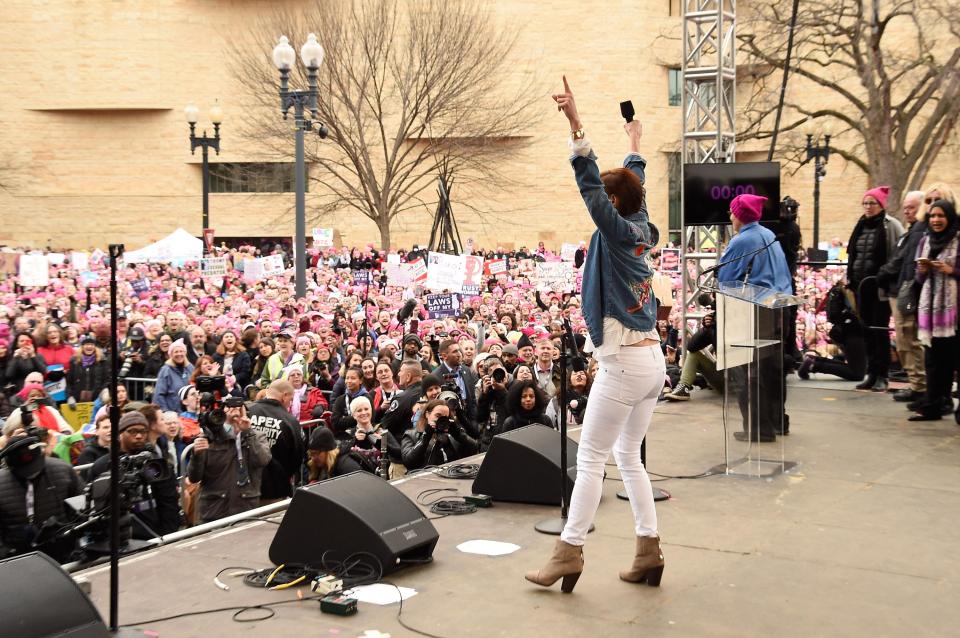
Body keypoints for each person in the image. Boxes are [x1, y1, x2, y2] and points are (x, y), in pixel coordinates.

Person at [527, 79, 666, 593]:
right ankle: (648, 550)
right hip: (652, 362)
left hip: (626, 363)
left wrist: (575, 123)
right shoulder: (640, 222)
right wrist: (635, 143)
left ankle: (568, 553)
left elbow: (590, 185)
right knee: (628, 457)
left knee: (590, 459)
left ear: (612, 202)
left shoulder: (613, 227)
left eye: (607, 197)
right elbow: (634, 183)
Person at [717, 192, 794, 441]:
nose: (730, 216)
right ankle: (777, 422)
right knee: (773, 369)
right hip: (781, 307)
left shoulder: (743, 240)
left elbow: (725, 279)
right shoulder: (768, 235)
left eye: (732, 211)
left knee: (751, 371)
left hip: (757, 311)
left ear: (739, 215)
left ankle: (759, 429)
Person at [846, 186, 905, 392]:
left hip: (880, 288)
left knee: (880, 331)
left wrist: (886, 277)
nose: (868, 207)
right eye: (866, 203)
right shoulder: (860, 225)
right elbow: (854, 255)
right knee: (867, 331)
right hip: (860, 288)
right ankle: (871, 373)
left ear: (881, 205)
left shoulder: (892, 226)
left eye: (873, 203)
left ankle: (882, 375)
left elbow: (900, 255)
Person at [89, 411, 181, 538]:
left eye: (143, 431)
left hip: (154, 534)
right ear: (120, 433)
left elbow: (168, 501)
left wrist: (167, 535)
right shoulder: (102, 465)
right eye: (132, 431)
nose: (139, 436)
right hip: (116, 537)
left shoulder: (156, 463)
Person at [909, 200, 959, 421]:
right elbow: (919, 279)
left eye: (941, 216)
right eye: (932, 216)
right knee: (934, 360)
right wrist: (922, 269)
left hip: (955, 311)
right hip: (931, 310)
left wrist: (952, 270)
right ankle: (932, 406)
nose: (936, 220)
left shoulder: (958, 239)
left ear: (949, 218)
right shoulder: (925, 241)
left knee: (955, 358)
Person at [876, 191, 928, 402]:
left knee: (909, 338)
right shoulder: (912, 232)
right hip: (900, 290)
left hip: (906, 292)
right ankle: (917, 384)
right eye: (905, 207)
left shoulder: (918, 232)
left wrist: (883, 273)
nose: (907, 211)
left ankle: (919, 386)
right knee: (905, 338)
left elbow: (902, 262)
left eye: (912, 207)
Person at [187, 399, 272, 522]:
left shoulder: (255, 436)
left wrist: (247, 432)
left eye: (238, 406)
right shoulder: (210, 438)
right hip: (214, 510)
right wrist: (197, 455)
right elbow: (194, 477)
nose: (234, 409)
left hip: (246, 507)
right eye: (228, 407)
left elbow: (262, 460)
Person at [0, 435, 83, 560]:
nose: (32, 473)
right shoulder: (2, 484)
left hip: (65, 551)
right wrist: (8, 554)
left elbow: (83, 508)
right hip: (20, 559)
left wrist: (74, 539)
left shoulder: (63, 470)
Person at [247, 380, 304, 502]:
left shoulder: (246, 412)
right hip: (275, 488)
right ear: (284, 396)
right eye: (291, 399)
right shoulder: (290, 421)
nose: (290, 403)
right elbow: (298, 455)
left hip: (246, 486)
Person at [400, 399, 478, 470]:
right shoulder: (411, 435)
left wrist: (458, 435)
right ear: (427, 414)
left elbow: (474, 449)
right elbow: (408, 462)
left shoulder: (452, 435)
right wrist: (425, 437)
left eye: (445, 417)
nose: (441, 420)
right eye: (438, 416)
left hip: (452, 476)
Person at [153, 339, 194, 412]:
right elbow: (159, 394)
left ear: (185, 353)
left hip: (189, 413)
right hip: (172, 414)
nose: (179, 354)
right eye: (176, 352)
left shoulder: (190, 368)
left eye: (181, 351)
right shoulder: (165, 370)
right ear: (171, 354)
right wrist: (165, 411)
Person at [66, 335, 108, 404]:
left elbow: (106, 380)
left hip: (97, 399)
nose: (89, 346)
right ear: (82, 346)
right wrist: (70, 397)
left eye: (91, 344)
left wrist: (100, 394)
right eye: (86, 344)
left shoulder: (101, 361)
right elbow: (69, 382)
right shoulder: (75, 361)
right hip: (78, 399)